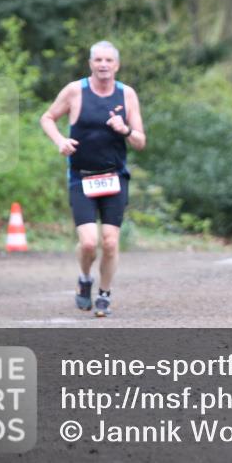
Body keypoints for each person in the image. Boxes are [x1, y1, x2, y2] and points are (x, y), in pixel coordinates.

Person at [40, 41, 146, 318]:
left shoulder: (127, 94)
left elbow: (140, 141)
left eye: (108, 60)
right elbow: (47, 117)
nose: (103, 65)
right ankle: (85, 278)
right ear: (90, 64)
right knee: (89, 242)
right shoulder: (76, 91)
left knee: (110, 242)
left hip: (114, 177)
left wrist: (125, 129)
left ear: (117, 65)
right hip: (82, 177)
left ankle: (105, 294)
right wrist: (60, 141)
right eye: (98, 60)